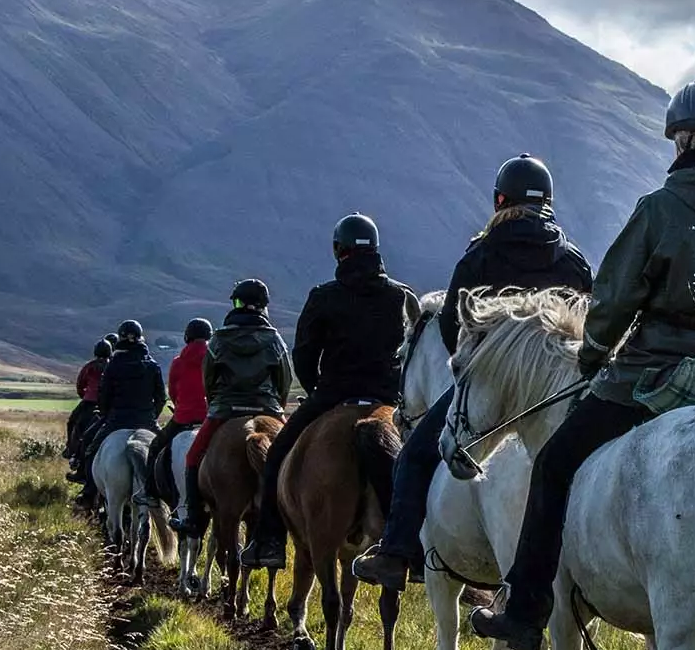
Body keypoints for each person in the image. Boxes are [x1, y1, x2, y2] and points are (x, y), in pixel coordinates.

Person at [471, 80, 695, 650]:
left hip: (650, 379)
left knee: (556, 464)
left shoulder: (659, 211)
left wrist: (593, 357)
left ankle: (525, 609)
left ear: (679, 140)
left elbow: (612, 300)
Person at [352, 155, 594, 592]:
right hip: (557, 394)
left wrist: (481, 368)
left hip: (489, 386)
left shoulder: (481, 254)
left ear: (500, 199)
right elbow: (587, 321)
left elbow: (450, 326)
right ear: (549, 202)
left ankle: (397, 551)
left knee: (415, 454)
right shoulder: (571, 258)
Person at [241, 214, 420, 569]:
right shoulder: (401, 296)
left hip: (334, 394)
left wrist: (318, 391)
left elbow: (304, 356)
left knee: (276, 456)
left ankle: (270, 541)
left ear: (339, 251)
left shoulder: (324, 297)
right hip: (389, 399)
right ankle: (414, 547)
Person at [173, 280, 291, 536]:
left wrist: (217, 402)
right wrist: (277, 407)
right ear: (264, 306)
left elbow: (209, 379)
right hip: (268, 409)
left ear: (235, 303)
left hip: (225, 409)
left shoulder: (219, 339)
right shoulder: (274, 339)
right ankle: (295, 517)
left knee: (192, 458)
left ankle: (194, 518)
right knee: (296, 456)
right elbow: (285, 379)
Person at [147, 318, 213, 524]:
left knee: (156, 446)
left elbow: (172, 392)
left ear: (187, 337)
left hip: (183, 417)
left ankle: (149, 492)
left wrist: (181, 405)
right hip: (211, 419)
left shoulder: (178, 361)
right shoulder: (215, 359)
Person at [92, 321, 167, 497]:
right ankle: (169, 494)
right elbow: (161, 397)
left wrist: (106, 415)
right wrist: (152, 416)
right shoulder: (152, 365)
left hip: (117, 421)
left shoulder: (113, 365)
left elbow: (104, 396)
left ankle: (88, 490)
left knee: (91, 450)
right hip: (146, 421)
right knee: (166, 452)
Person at [64, 337, 114, 459]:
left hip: (89, 402)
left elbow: (80, 385)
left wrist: (84, 396)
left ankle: (71, 448)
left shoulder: (89, 367)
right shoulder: (112, 366)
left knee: (72, 421)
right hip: (109, 403)